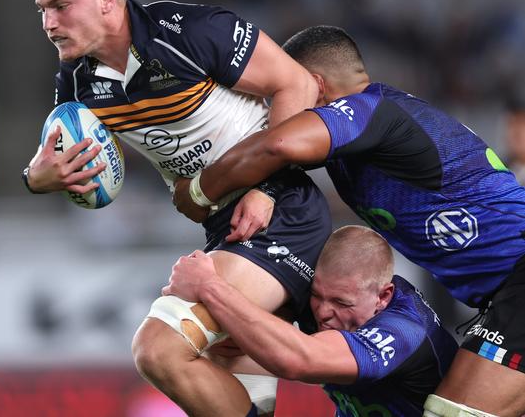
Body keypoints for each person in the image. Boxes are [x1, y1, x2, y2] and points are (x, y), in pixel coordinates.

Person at [24, 0, 332, 417]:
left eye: (61, 5)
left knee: (157, 349)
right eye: (43, 9)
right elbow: (82, 170)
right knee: (240, 401)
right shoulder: (75, 81)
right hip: (220, 229)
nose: (48, 24)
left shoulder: (192, 32)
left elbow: (299, 84)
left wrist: (266, 187)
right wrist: (39, 177)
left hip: (281, 213)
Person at [173, 25, 525, 417]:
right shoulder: (356, 144)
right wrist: (265, 190)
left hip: (520, 276)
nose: (276, 109)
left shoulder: (371, 111)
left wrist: (199, 190)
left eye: (281, 93)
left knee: (456, 413)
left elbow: (277, 144)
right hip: (504, 290)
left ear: (315, 86)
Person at [163, 225, 459, 416]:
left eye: (342, 303)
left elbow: (301, 360)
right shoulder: (334, 301)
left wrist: (210, 286)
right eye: (318, 296)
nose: (323, 312)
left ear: (383, 296)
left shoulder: (406, 329)